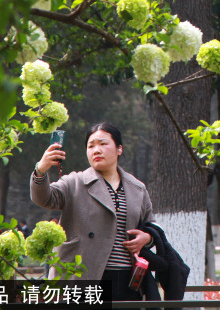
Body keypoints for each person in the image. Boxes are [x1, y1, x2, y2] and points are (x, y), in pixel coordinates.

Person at [31, 122, 157, 300]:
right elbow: (44, 198)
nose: (96, 150)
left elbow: (151, 226)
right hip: (81, 277)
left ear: (119, 149)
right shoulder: (74, 182)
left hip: (126, 279)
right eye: (91, 146)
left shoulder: (137, 188)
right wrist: (40, 170)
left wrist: (147, 238)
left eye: (103, 144)